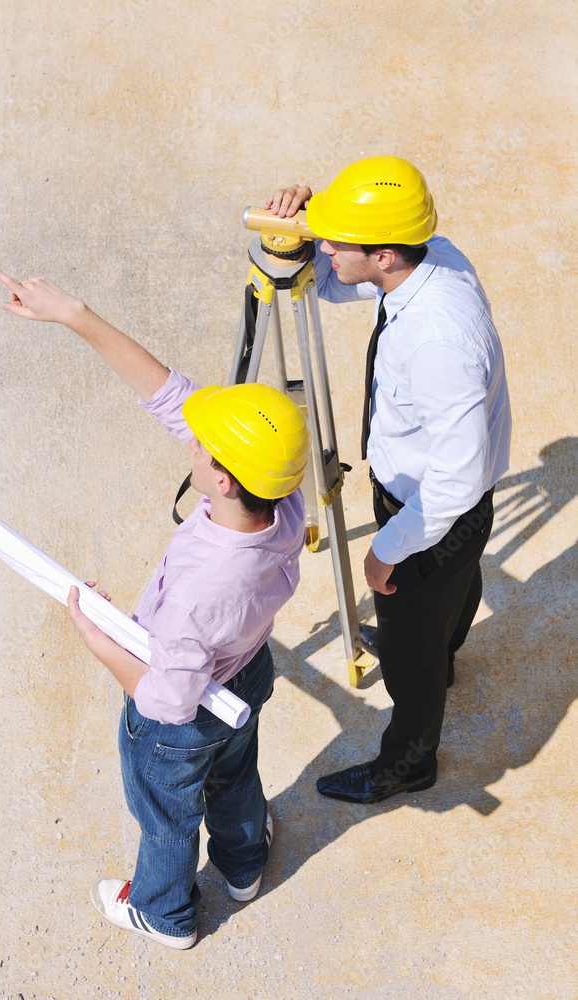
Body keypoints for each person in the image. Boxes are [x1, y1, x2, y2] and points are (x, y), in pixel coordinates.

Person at [0, 264, 310, 948]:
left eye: (203, 445)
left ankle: (164, 913)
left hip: (181, 716)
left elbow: (167, 699)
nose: (189, 437)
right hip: (247, 673)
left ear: (223, 478)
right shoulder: (282, 496)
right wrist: (73, 313)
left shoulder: (199, 594)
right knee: (235, 774)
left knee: (166, 816)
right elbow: (172, 396)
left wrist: (97, 638)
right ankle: (244, 864)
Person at [265, 156, 511, 804]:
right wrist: (297, 236)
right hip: (454, 507)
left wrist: (386, 548)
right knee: (454, 592)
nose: (324, 248)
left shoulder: (437, 343)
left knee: (408, 654)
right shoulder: (431, 256)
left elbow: (454, 483)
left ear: (382, 255)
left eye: (335, 240)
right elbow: (331, 283)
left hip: (432, 513)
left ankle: (409, 761)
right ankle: (441, 652)